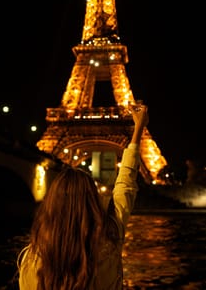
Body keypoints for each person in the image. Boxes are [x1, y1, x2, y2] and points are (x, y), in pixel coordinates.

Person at [17, 103, 149, 290]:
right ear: (92, 200)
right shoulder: (109, 240)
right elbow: (125, 186)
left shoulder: (31, 258)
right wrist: (138, 128)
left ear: (51, 202)